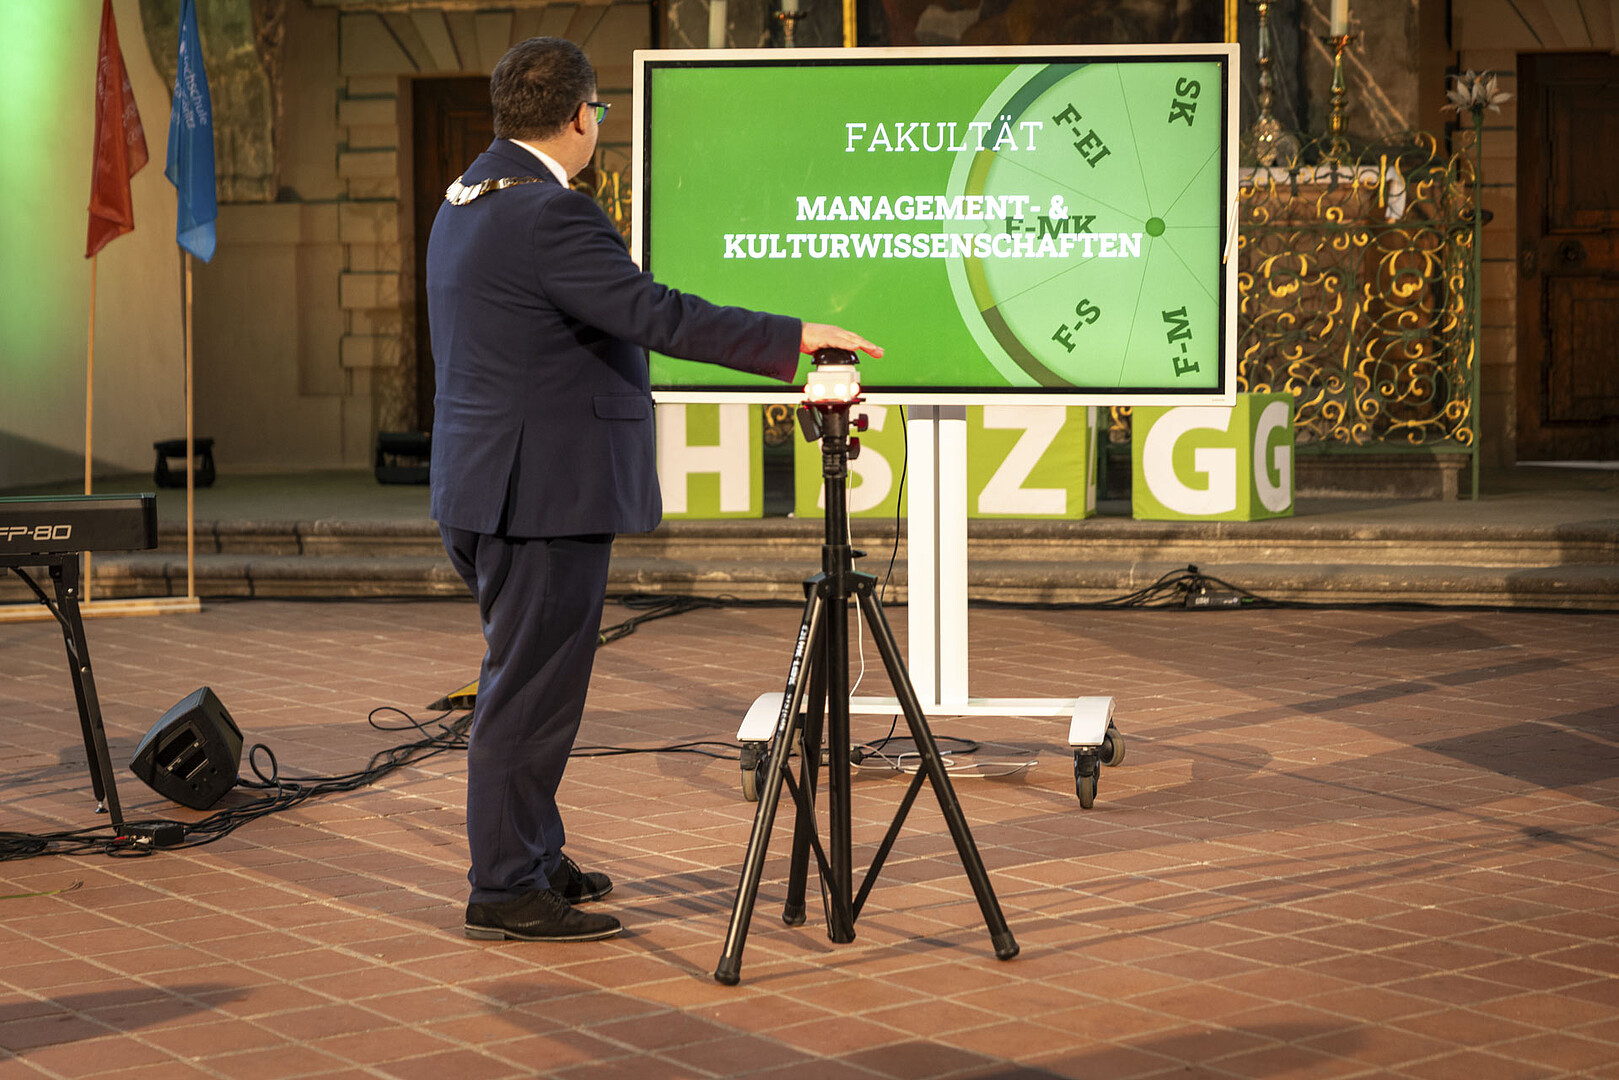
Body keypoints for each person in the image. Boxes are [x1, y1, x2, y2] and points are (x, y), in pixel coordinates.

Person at [426, 36, 882, 943]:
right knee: (530, 696)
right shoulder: (550, 214)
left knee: (529, 683)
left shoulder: (467, 200)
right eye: (598, 112)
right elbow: (653, 313)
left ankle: (532, 852)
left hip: (486, 486)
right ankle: (504, 887)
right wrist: (790, 337)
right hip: (540, 495)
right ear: (580, 116)